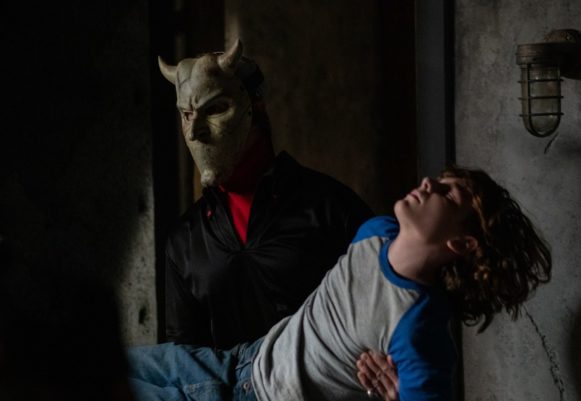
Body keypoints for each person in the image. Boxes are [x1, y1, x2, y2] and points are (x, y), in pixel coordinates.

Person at [127, 167, 552, 401]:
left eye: (448, 193)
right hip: (238, 361)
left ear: (461, 243)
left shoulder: (417, 328)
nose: (429, 183)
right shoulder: (376, 231)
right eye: (440, 177)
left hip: (257, 398)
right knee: (103, 365)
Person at [157, 39, 373, 349]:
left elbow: (381, 308)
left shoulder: (331, 208)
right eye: (187, 114)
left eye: (214, 109)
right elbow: (183, 357)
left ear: (256, 108)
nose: (195, 131)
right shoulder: (185, 240)